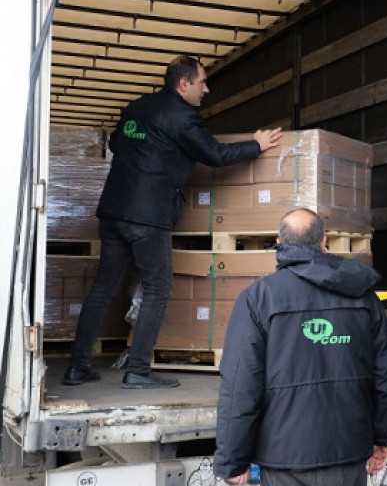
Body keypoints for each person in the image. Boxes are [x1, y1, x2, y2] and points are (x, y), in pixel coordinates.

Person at [62, 55, 283, 389]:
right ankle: (138, 370)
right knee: (158, 287)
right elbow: (216, 155)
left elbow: (117, 143)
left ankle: (77, 367)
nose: (206, 90)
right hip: (148, 217)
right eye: (202, 82)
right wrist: (257, 144)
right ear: (183, 84)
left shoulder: (136, 108)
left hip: (113, 211)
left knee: (103, 289)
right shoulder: (182, 117)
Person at [214, 208, 387, 486]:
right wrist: (383, 437)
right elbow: (385, 374)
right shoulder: (363, 296)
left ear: (279, 242)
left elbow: (241, 385)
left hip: (285, 459)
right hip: (349, 452)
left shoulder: (260, 297)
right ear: (324, 241)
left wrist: (232, 459)